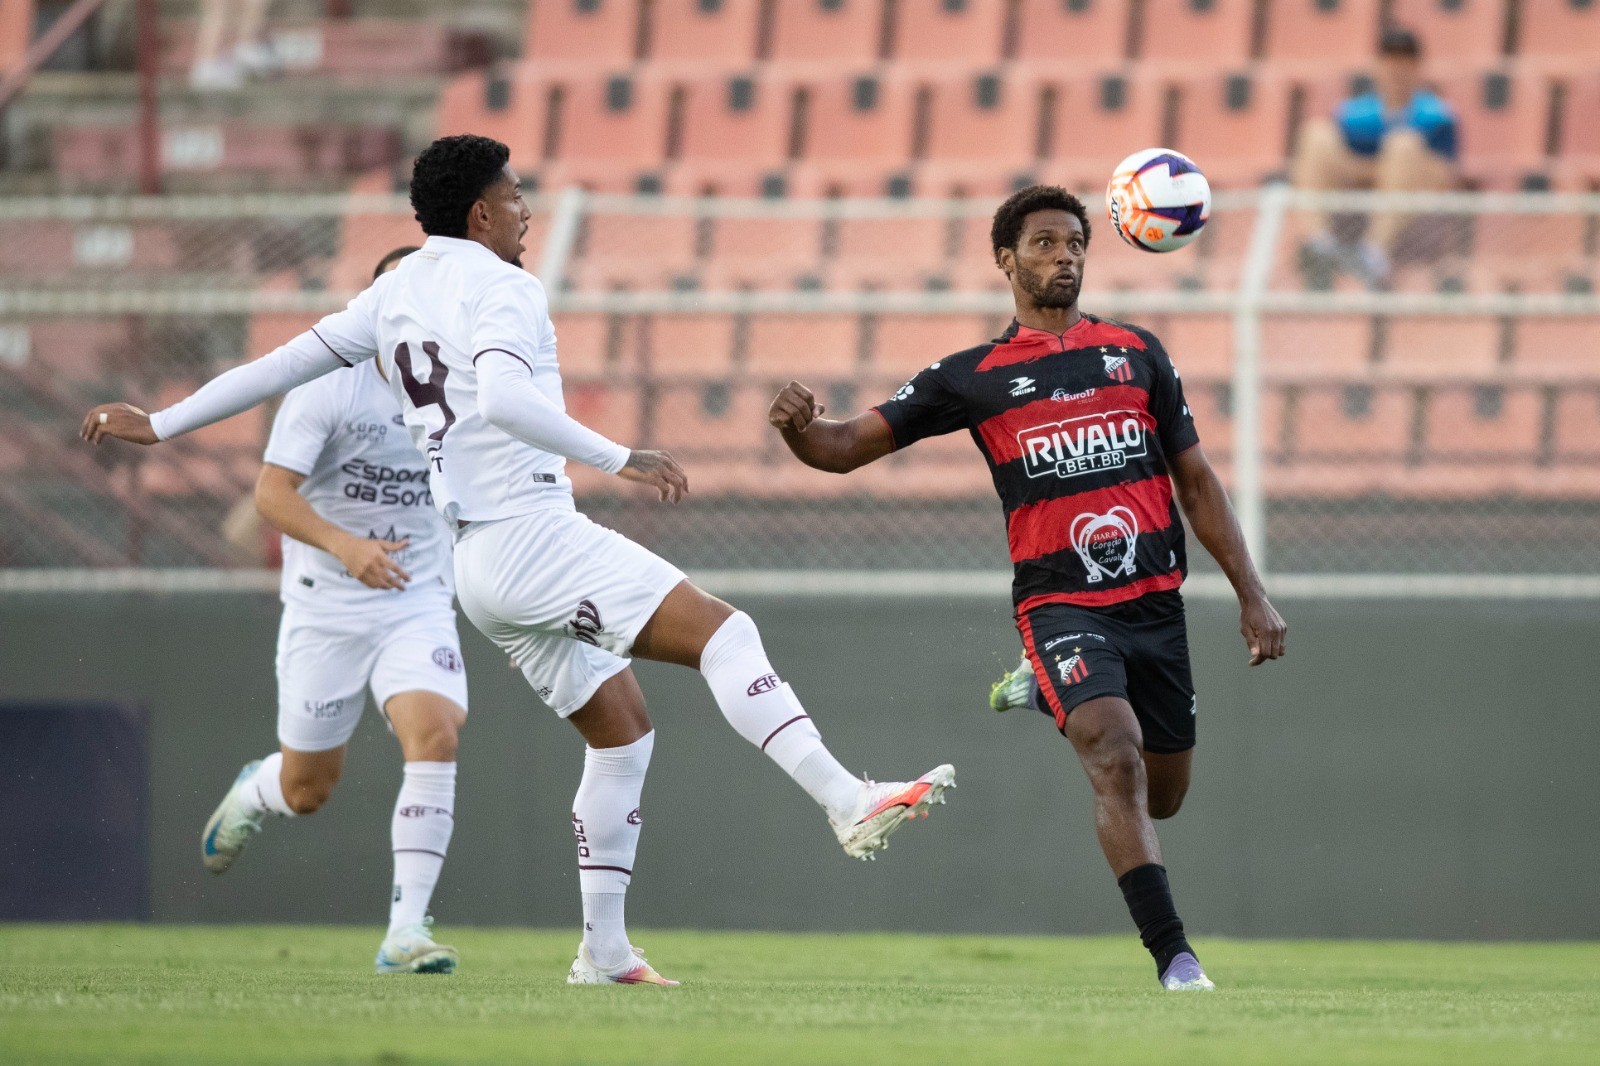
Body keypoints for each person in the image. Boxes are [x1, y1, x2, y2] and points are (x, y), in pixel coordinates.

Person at [82, 134, 955, 988]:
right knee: (728, 634)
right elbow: (501, 397)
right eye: (514, 197)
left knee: (621, 732)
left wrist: (158, 424)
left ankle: (604, 953)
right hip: (531, 535)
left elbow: (276, 365)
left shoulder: (393, 295)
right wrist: (624, 456)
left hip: (474, 567)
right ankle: (844, 798)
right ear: (480, 212)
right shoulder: (502, 286)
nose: (526, 211)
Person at [766, 185, 1287, 991]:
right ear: (1006, 260)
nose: (1065, 256)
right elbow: (842, 448)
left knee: (1166, 792)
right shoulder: (969, 377)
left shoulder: (1137, 353)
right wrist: (800, 428)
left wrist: (1252, 593)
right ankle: (1176, 959)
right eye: (1045, 243)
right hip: (1060, 603)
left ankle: (1041, 690)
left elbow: (1196, 478)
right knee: (1114, 760)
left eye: (1075, 242)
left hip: (1155, 605)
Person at [198, 245, 468, 975]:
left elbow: (480, 503)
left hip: (416, 600)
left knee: (436, 734)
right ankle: (260, 787)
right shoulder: (326, 391)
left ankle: (405, 933)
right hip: (326, 607)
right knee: (307, 789)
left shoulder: (470, 392)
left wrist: (515, 610)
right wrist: (346, 546)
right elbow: (271, 495)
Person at [1290, 25, 1459, 289]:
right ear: (1377, 65)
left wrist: (1399, 166)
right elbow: (1351, 160)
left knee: (1403, 147)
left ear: (1417, 67)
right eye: (1390, 59)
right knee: (1315, 134)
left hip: (1415, 197)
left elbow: (1444, 173)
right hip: (1368, 180)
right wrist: (1382, 171)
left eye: (1406, 60)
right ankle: (1318, 245)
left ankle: (1372, 253)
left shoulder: (1437, 115)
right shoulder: (1355, 113)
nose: (1397, 68)